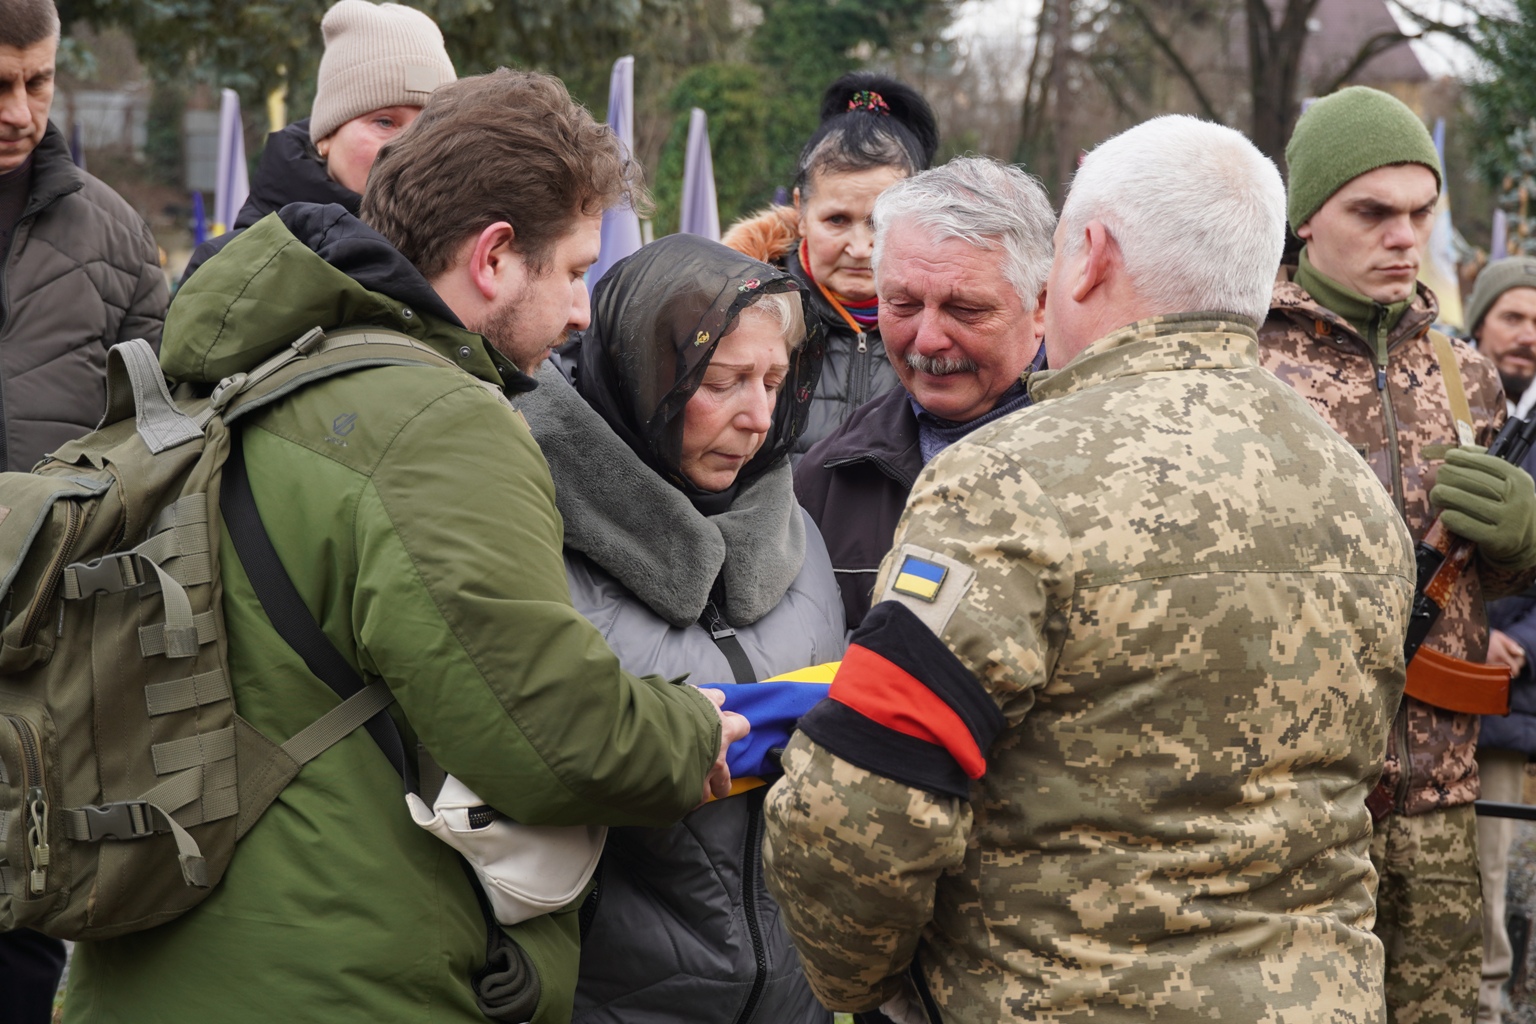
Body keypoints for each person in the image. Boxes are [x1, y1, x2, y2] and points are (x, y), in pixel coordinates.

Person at [61, 69, 743, 1024]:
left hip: (157, 952)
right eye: (579, 271)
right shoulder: (435, 422)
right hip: (333, 976)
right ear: (497, 255)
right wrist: (692, 731)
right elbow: (545, 734)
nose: (585, 312)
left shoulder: (254, 362)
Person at [762, 114, 1417, 1023]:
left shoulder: (1004, 479)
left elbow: (859, 814)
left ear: (1089, 255)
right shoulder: (1355, 489)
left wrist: (867, 990)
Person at [1259, 87, 1536, 1024]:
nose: (1404, 238)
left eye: (1421, 212)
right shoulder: (1242, 363)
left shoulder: (1467, 374)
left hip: (1439, 797)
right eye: (1371, 212)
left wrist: (1527, 543)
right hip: (1290, 801)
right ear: (1305, 217)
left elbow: (1498, 585)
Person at [518, 232, 844, 1023]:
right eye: (725, 381)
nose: (759, 417)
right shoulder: (534, 525)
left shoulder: (794, 525)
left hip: (794, 997)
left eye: (775, 380)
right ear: (643, 374)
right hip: (606, 991)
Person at [0, 0, 168, 1018]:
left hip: (41, 684)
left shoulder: (113, 238)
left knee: (24, 949)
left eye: (40, 82)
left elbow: (161, 449)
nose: (20, 111)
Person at [792, 156, 1054, 628]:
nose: (928, 338)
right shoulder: (828, 478)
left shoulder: (1109, 460)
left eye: (966, 309)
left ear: (1040, 305)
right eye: (903, 304)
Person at [723, 71, 937, 459]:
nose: (859, 248)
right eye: (837, 220)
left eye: (879, 222)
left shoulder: (947, 334)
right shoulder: (732, 315)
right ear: (801, 210)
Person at [180, 0, 455, 281]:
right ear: (326, 136)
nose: (411, 146)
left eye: (430, 125)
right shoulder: (228, 270)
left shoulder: (470, 264)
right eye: (385, 122)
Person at [1463, 255, 1536, 1023]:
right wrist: (1466, 633)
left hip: (1506, 707)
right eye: (1514, 317)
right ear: (1480, 320)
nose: (1527, 337)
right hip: (1414, 688)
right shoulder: (1438, 404)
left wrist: (1510, 644)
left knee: (1487, 885)